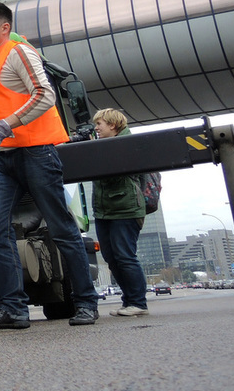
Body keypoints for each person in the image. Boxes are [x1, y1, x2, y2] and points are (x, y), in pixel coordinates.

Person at [0, 0, 99, 329]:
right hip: (1, 160)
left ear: (4, 27)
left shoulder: (19, 52)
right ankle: (13, 309)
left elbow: (45, 95)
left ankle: (85, 303)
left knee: (62, 230)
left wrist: (3, 126)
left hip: (37, 153)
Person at [91, 107, 150, 317]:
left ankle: (138, 303)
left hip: (126, 209)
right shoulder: (103, 145)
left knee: (125, 256)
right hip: (105, 211)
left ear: (113, 125)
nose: (96, 128)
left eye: (100, 124)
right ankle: (129, 301)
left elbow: (115, 176)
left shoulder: (126, 145)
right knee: (112, 258)